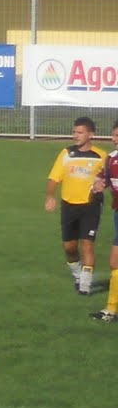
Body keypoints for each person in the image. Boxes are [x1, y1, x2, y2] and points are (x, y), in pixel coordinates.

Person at [45, 115, 105, 296]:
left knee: (87, 245)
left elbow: (107, 178)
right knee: (70, 248)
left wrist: (101, 184)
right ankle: (78, 275)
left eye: (80, 132)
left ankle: (85, 287)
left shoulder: (101, 156)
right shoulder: (66, 154)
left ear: (90, 134)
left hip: (90, 206)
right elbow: (54, 177)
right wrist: (50, 196)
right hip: (69, 206)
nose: (76, 136)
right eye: (74, 132)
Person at [90, 119, 118, 321]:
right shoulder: (111, 159)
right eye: (113, 134)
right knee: (115, 261)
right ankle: (110, 310)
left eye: (117, 135)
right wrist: (98, 185)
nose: (113, 139)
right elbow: (103, 179)